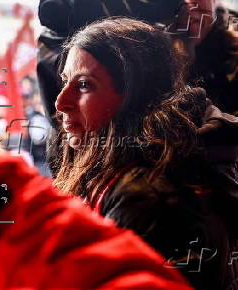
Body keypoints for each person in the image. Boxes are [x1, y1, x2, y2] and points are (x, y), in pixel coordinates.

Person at [51, 17, 237, 289]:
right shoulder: (116, 165)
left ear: (133, 96)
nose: (60, 102)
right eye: (65, 81)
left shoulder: (147, 195)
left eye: (84, 85)